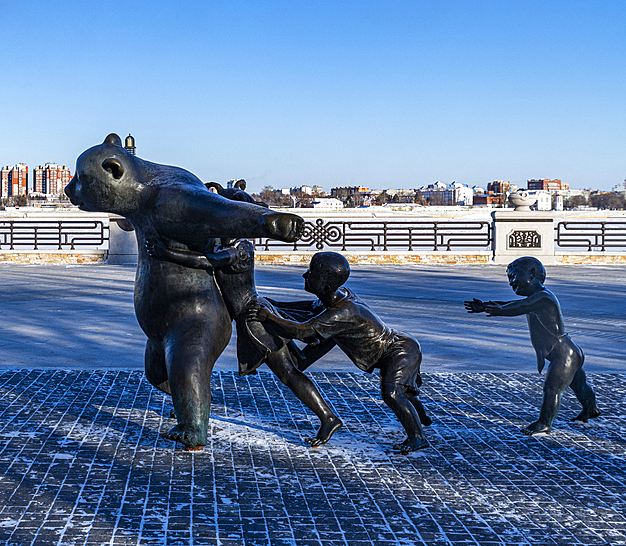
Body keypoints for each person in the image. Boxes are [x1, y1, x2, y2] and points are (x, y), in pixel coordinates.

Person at [145, 185, 343, 447]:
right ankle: (194, 402)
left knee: (288, 373)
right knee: (292, 366)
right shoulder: (223, 242)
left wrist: (164, 253)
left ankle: (328, 417)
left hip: (255, 318)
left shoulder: (240, 248)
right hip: (248, 314)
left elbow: (205, 262)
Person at [251, 251, 432, 454]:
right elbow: (310, 308)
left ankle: (417, 438)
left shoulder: (342, 311)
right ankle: (422, 418)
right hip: (375, 342)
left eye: (310, 273)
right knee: (300, 363)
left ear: (326, 286)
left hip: (399, 350)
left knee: (392, 392)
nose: (305, 275)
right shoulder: (336, 296)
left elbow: (303, 330)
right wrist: (276, 305)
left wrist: (269, 316)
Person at [464, 256, 600, 435]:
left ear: (532, 274)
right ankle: (591, 409)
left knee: (552, 389)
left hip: (563, 354)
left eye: (514, 276)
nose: (512, 282)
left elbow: (520, 306)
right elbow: (514, 304)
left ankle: (544, 423)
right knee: (580, 385)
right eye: (509, 279)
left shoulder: (544, 298)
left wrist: (498, 311)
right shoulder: (536, 298)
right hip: (568, 351)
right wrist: (486, 306)